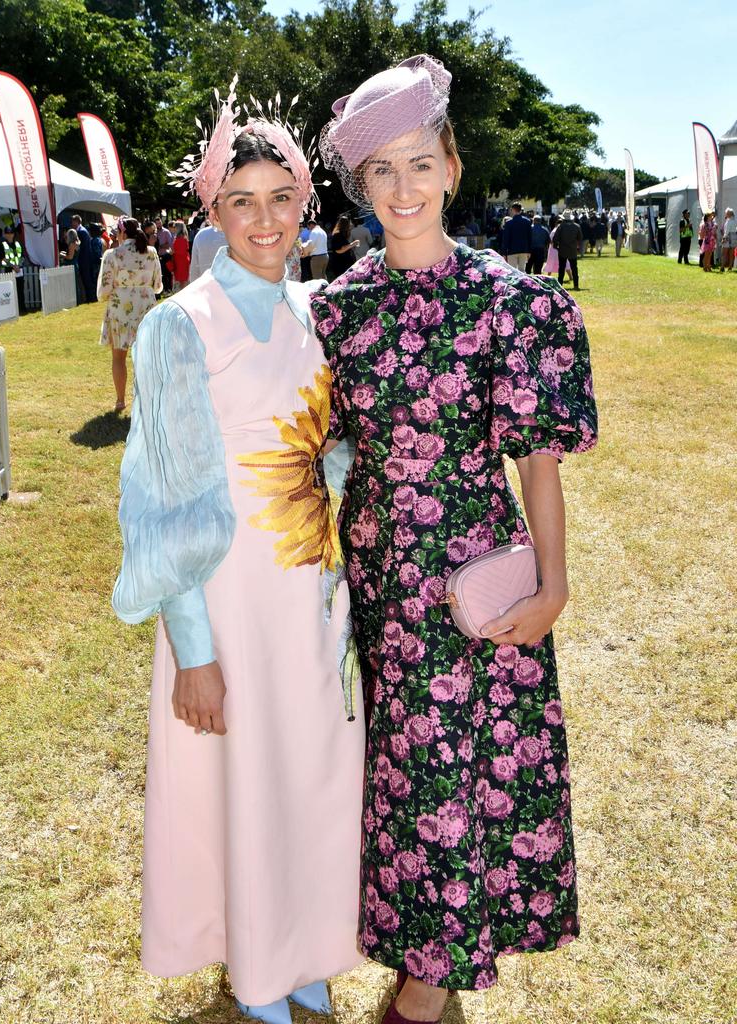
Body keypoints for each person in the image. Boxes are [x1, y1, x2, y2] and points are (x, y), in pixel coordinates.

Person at [311, 54, 598, 1024]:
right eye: (380, 170)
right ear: (360, 185)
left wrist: (553, 586)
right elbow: (311, 457)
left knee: (453, 785)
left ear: (453, 167)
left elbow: (538, 461)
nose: (403, 187)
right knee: (417, 796)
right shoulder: (337, 313)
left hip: (476, 596)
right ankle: (427, 968)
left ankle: (423, 992)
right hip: (380, 598)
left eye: (420, 163)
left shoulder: (508, 302)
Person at [112, 83, 365, 1024]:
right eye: (241, 200)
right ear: (212, 210)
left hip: (314, 591)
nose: (264, 220)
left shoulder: (321, 311)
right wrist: (195, 650)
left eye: (281, 198)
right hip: (226, 600)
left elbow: (328, 443)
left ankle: (305, 947)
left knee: (313, 772)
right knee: (242, 779)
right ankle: (253, 960)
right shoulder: (178, 325)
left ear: (307, 201)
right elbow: (166, 497)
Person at [97, 216, 162, 412]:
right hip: (145, 306)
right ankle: (147, 399)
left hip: (120, 307)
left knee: (119, 357)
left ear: (122, 233)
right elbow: (158, 286)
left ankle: (120, 400)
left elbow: (103, 292)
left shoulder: (112, 255)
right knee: (145, 357)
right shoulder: (151, 253)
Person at [552, 211, 582, 290]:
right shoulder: (576, 226)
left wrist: (556, 247)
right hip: (573, 250)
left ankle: (560, 285)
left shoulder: (560, 227)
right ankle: (576, 285)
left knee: (561, 268)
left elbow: (555, 238)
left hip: (562, 250)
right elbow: (580, 238)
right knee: (574, 268)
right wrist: (578, 247)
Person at [326, 215, 360, 281]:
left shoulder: (342, 234)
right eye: (349, 223)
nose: (351, 224)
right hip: (341, 266)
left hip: (345, 265)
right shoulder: (337, 235)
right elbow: (338, 250)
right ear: (346, 224)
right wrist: (352, 244)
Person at [1, 225, 26, 315]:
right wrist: (13, 266)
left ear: (13, 234)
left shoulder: (17, 244)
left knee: (20, 290)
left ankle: (22, 309)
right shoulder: (3, 245)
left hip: (19, 271)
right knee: (10, 291)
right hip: (9, 271)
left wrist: (18, 266)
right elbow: (3, 259)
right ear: (4, 234)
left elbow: (22, 256)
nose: (9, 235)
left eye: (11, 233)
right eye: (7, 233)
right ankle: (12, 311)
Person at [501, 202, 532, 271]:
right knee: (522, 271)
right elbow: (530, 237)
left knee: (512, 272)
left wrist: (504, 253)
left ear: (512, 210)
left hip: (512, 251)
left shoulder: (508, 223)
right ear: (520, 210)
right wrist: (529, 251)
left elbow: (505, 239)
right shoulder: (527, 222)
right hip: (524, 250)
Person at [71, 215, 95, 302]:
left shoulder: (81, 232)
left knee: (87, 279)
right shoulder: (83, 230)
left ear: (76, 222)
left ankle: (91, 298)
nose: (71, 224)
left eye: (72, 222)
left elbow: (81, 247)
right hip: (86, 259)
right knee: (87, 279)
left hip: (84, 260)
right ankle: (90, 298)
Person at [154, 216, 174, 293]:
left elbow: (170, 244)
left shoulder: (166, 232)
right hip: (158, 255)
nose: (159, 225)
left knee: (167, 273)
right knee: (161, 273)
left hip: (166, 255)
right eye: (157, 224)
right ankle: (164, 289)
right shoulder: (155, 233)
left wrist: (161, 246)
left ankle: (169, 288)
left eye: (159, 223)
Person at [171, 219, 191, 291]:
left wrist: (173, 252)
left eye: (175, 227)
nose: (174, 228)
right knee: (182, 280)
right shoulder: (182, 237)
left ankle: (183, 295)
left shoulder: (181, 238)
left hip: (181, 261)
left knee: (182, 281)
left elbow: (181, 251)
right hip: (181, 260)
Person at [87, 223, 105, 300]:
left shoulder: (95, 240)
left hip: (95, 265)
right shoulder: (98, 239)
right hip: (96, 264)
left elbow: (97, 254)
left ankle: (96, 297)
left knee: (95, 281)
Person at [719, 208, 736, 272]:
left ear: (729, 214)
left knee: (724, 253)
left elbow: (726, 231)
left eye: (726, 213)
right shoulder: (735, 220)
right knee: (731, 254)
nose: (725, 214)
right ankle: (730, 267)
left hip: (728, 237)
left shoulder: (728, 221)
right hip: (734, 236)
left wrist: (723, 239)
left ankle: (722, 267)